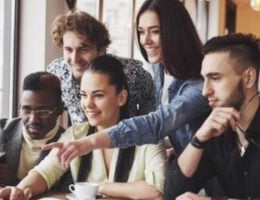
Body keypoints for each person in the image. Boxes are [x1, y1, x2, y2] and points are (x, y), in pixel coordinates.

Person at [42, 0, 210, 168]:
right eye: (141, 32)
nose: (145, 40)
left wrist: (89, 142)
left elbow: (156, 124)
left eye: (155, 31)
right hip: (90, 157)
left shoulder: (198, 85)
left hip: (202, 181)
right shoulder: (160, 67)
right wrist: (177, 149)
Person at [0, 55, 167, 200]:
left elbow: (155, 191)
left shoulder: (148, 137)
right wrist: (19, 190)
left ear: (121, 97)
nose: (88, 104)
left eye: (98, 95)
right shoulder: (76, 134)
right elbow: (46, 172)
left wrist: (99, 188)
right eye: (84, 95)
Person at [164, 33, 260, 200]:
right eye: (204, 79)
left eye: (215, 78)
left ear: (248, 78)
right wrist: (198, 139)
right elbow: (173, 193)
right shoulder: (215, 128)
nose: (205, 91)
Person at [47, 10, 155, 124]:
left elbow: (152, 115)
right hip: (81, 139)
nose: (75, 59)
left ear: (101, 50)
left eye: (84, 49)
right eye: (68, 49)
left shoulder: (133, 73)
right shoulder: (56, 72)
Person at [0, 72, 66, 187]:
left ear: (60, 109)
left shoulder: (68, 145)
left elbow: (66, 193)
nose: (33, 120)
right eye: (26, 110)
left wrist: (15, 182)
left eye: (42, 112)